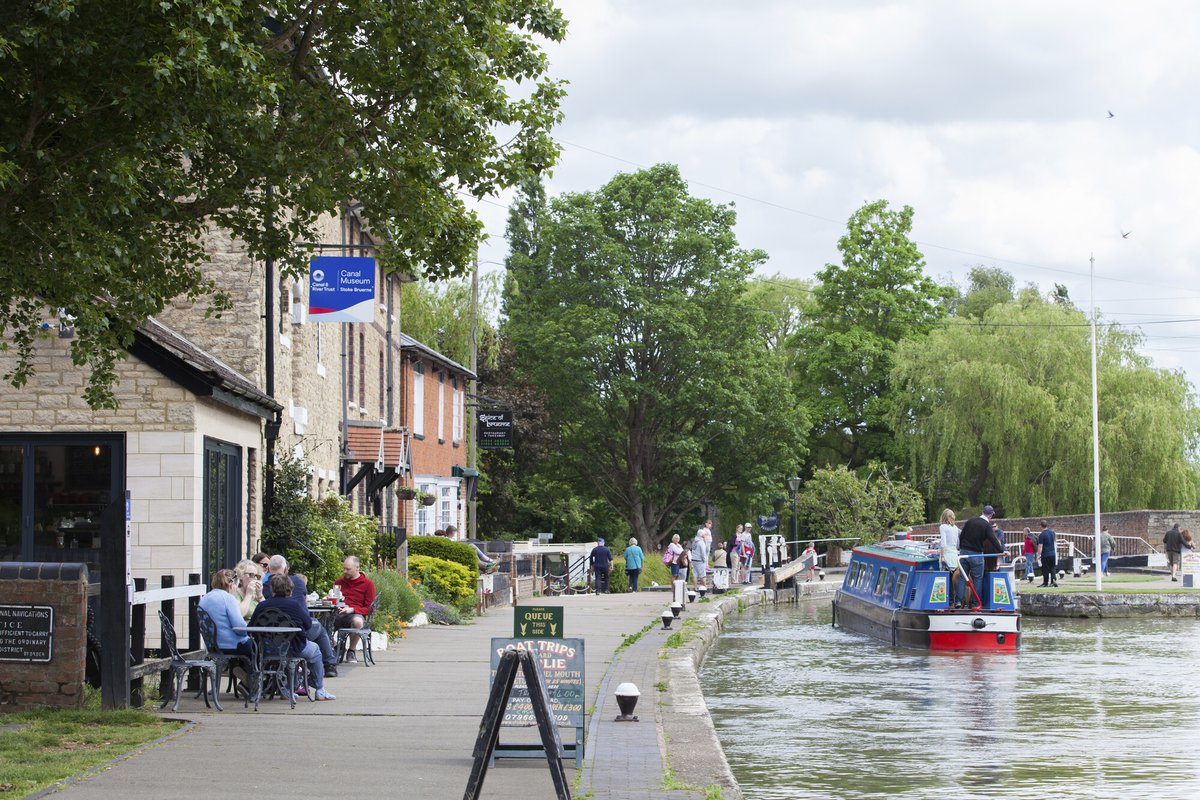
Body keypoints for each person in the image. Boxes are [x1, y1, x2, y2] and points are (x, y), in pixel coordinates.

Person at [251, 574, 335, 700]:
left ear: (271, 590)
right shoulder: (294, 605)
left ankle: (287, 689)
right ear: (290, 589)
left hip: (267, 650)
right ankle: (318, 689)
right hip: (294, 648)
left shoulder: (262, 606)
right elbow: (307, 624)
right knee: (316, 650)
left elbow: (251, 627)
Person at [262, 554, 338, 676]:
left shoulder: (263, 588)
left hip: (271, 636)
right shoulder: (297, 581)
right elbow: (306, 619)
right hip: (298, 635)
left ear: (268, 569)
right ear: (286, 569)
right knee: (318, 627)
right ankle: (329, 665)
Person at [198, 569, 254, 685]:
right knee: (260, 648)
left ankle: (246, 677)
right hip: (232, 644)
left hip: (213, 645)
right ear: (232, 584)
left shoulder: (205, 598)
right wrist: (251, 630)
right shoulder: (228, 599)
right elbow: (239, 628)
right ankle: (252, 682)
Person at [333, 555, 377, 662]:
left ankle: (351, 651)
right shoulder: (339, 582)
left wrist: (352, 609)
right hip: (338, 613)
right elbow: (334, 599)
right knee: (321, 623)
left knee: (357, 621)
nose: (345, 571)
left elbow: (370, 609)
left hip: (354, 614)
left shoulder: (368, 584)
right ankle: (336, 647)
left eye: (348, 569)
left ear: (357, 568)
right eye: (344, 568)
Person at [958, 505, 996, 607]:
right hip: (976, 554)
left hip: (963, 553)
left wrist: (961, 548)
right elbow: (993, 539)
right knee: (978, 578)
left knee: (962, 577)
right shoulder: (986, 525)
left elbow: (961, 536)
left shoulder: (970, 521)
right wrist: (1002, 550)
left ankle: (958, 602)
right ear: (991, 515)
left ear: (982, 512)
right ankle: (976, 603)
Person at [938, 509, 963, 606]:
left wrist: (942, 556)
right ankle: (956, 600)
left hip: (947, 553)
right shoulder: (956, 528)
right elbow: (957, 544)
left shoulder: (943, 527)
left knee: (946, 577)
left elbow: (943, 542)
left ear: (943, 517)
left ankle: (948, 600)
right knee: (955, 578)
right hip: (954, 554)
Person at [1038, 520, 1058, 588]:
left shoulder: (1042, 535)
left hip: (1045, 554)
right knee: (1052, 568)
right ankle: (1053, 581)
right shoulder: (1052, 533)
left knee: (1045, 569)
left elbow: (1040, 546)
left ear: (1041, 526)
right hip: (1052, 553)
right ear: (1047, 525)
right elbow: (1054, 541)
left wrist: (1038, 555)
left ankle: (1045, 583)